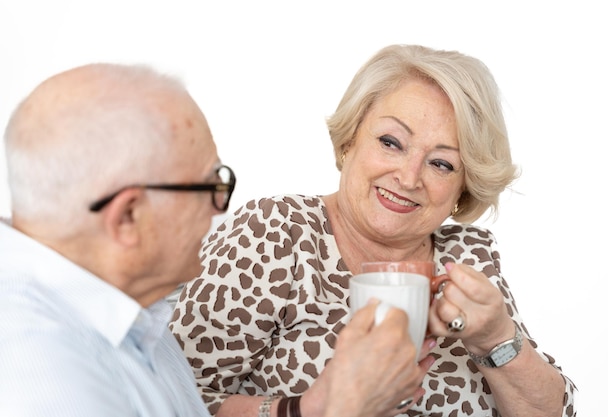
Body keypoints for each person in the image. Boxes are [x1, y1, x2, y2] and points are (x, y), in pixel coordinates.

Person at [170, 44, 577, 417]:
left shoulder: (467, 258)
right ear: (349, 141)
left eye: (441, 163)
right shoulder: (276, 233)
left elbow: (551, 413)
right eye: (391, 142)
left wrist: (496, 339)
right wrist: (310, 410)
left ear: (462, 188)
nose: (408, 176)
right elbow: (170, 398)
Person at [0, 63, 426, 417]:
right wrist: (345, 408)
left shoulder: (135, 318)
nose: (219, 207)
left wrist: (319, 404)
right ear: (128, 217)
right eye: (208, 185)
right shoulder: (35, 365)